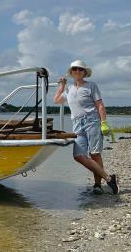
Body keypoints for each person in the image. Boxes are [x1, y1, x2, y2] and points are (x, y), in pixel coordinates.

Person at [54, 60, 119, 195]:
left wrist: (104, 122)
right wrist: (62, 85)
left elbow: (100, 105)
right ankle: (109, 178)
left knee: (95, 154)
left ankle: (97, 185)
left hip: (92, 122)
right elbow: (57, 100)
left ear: (84, 72)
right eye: (74, 69)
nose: (77, 71)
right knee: (78, 155)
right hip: (77, 124)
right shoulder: (69, 89)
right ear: (71, 72)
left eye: (80, 69)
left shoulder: (91, 86)